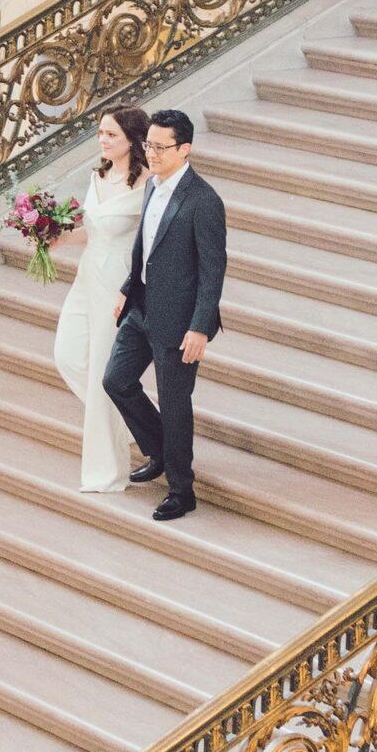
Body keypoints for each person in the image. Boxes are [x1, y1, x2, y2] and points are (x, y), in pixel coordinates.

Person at [102, 108, 227, 522]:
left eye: (159, 146)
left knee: (175, 404)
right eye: (148, 144)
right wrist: (126, 289)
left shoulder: (204, 201)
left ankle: (181, 490)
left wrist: (200, 327)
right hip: (140, 308)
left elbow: (213, 271)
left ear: (184, 148)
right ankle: (159, 448)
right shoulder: (153, 187)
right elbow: (145, 247)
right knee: (116, 381)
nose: (150, 153)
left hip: (179, 321)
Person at [52, 107, 150, 492]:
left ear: (131, 139)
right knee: (69, 355)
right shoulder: (99, 176)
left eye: (110, 134)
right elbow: (93, 231)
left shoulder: (147, 184)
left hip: (117, 282)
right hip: (88, 275)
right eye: (100, 134)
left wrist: (134, 290)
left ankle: (107, 472)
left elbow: (150, 242)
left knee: (101, 376)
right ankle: (134, 421)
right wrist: (58, 238)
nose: (102, 140)